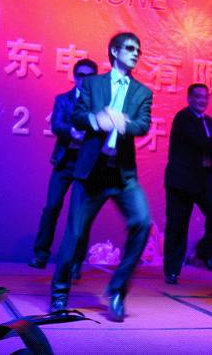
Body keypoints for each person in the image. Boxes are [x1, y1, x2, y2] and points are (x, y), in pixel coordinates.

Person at [50, 32, 152, 322]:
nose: (135, 53)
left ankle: (117, 291)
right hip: (91, 172)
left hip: (122, 175)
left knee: (143, 222)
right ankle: (59, 292)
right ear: (114, 52)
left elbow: (143, 125)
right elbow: (78, 116)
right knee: (75, 233)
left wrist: (124, 123)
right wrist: (98, 119)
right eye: (130, 48)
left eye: (138, 50)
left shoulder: (142, 92)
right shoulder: (93, 84)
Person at [29, 58, 98, 280]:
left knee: (80, 216)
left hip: (87, 165)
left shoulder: (100, 104)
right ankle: (41, 254)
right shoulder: (63, 99)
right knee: (51, 207)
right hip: (64, 163)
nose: (84, 80)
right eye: (81, 75)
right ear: (75, 77)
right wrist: (73, 132)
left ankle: (76, 262)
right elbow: (57, 124)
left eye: (89, 76)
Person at [163, 83, 212, 285]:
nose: (202, 100)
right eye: (197, 96)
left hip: (204, 178)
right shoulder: (183, 117)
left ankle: (203, 253)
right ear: (189, 99)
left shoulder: (209, 122)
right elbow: (198, 141)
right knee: (178, 225)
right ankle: (172, 270)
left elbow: (208, 148)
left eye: (205, 97)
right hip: (182, 180)